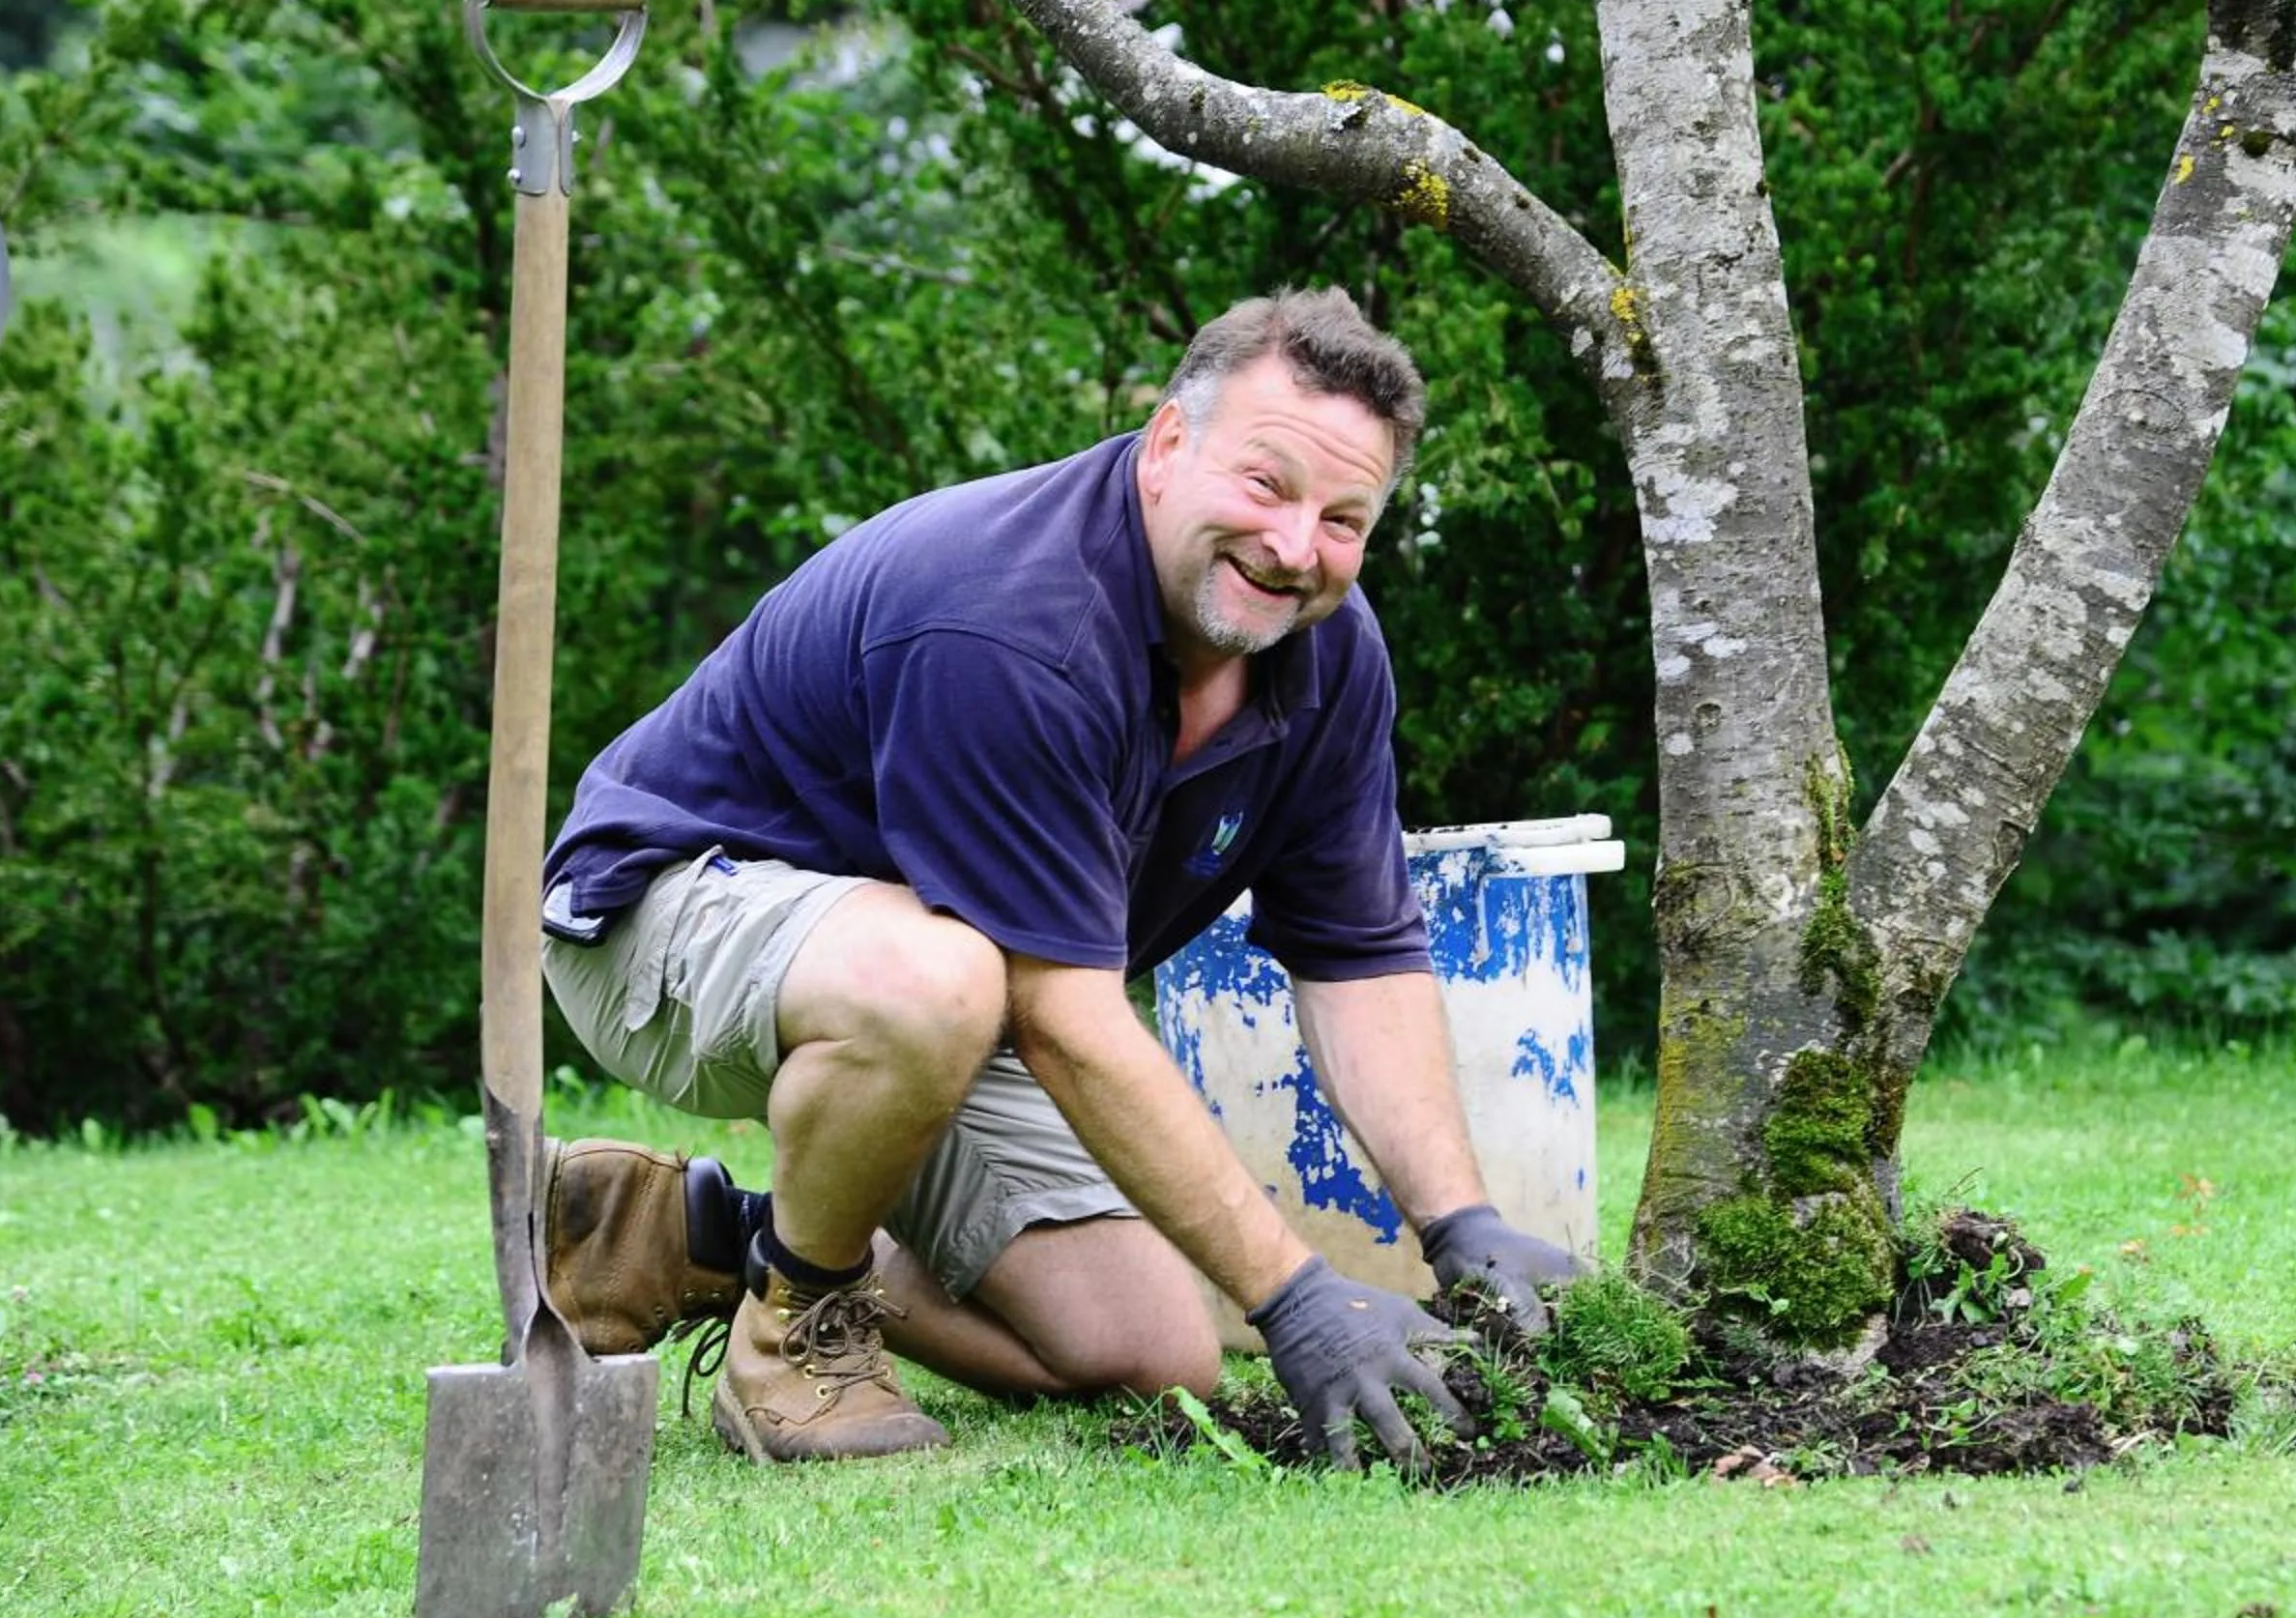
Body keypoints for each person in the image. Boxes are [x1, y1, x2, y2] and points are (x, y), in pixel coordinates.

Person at [535, 288, 1581, 1468]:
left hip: (952, 978)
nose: (1296, 548)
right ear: (1168, 444)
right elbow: (1064, 1014)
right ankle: (790, 1340)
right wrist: (1296, 1298)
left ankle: (703, 1239)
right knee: (940, 981)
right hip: (669, 910)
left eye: (1345, 518)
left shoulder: (1327, 657)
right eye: (1266, 485)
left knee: (1149, 1349)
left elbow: (1358, 957)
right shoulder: (1013, 622)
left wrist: (1461, 1223)